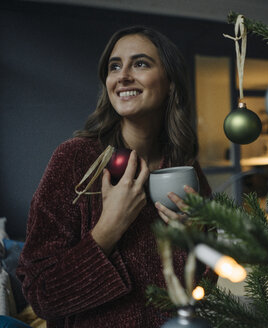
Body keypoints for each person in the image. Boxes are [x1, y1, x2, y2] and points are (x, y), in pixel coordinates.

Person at [16, 26, 213, 328]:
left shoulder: (185, 168)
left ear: (170, 83)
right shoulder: (74, 161)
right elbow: (41, 297)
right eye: (114, 66)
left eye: (141, 63)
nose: (123, 76)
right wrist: (108, 229)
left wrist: (197, 242)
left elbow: (209, 285)